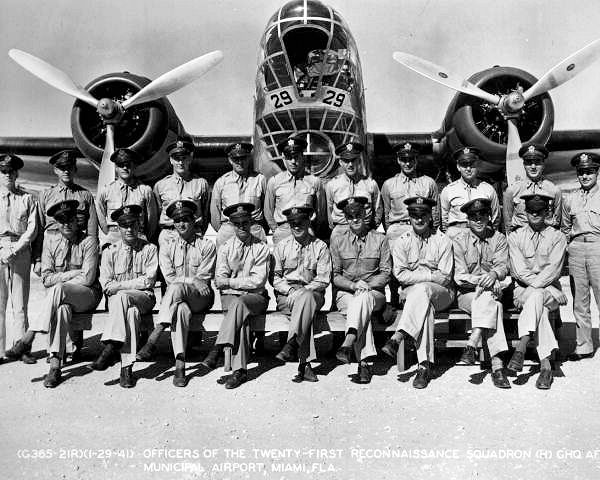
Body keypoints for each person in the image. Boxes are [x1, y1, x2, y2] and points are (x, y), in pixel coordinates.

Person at [6, 200, 102, 387]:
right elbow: (46, 278)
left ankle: (29, 336)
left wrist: (62, 280)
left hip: (88, 295)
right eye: (61, 220)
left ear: (78, 221)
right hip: (62, 298)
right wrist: (74, 273)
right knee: (62, 309)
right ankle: (55, 367)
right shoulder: (50, 242)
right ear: (57, 223)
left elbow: (88, 278)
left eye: (70, 219)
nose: (66, 224)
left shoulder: (89, 242)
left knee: (58, 289)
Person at [136, 200, 216, 387]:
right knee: (180, 309)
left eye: (186, 219)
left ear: (194, 220)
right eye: (177, 220)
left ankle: (154, 337)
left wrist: (193, 281)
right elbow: (170, 277)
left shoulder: (207, 245)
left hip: (201, 298)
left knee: (175, 289)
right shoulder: (166, 246)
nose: (181, 224)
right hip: (177, 299)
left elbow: (202, 281)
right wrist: (191, 279)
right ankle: (180, 365)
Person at [381, 196, 454, 389]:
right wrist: (431, 274)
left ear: (430, 216)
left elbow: (445, 277)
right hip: (416, 297)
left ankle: (400, 335)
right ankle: (424, 365)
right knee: (425, 308)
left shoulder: (443, 240)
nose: (419, 220)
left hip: (442, 294)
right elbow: (401, 275)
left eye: (423, 215)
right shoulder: (402, 241)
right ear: (409, 217)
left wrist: (420, 277)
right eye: (414, 215)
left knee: (422, 291)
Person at [202, 203, 269, 389]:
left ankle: (218, 347)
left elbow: (258, 281)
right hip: (232, 298)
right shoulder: (224, 248)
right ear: (231, 225)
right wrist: (238, 285)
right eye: (237, 223)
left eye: (245, 222)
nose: (242, 227)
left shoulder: (261, 247)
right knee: (242, 317)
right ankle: (240, 370)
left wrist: (231, 283)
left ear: (251, 223)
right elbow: (219, 278)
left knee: (240, 305)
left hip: (256, 298)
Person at [91, 205, 158, 388]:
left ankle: (111, 346)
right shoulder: (109, 251)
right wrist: (124, 287)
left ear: (139, 226)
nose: (129, 229)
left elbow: (148, 281)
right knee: (131, 314)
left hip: (143, 298)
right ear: (118, 228)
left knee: (121, 297)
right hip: (121, 306)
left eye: (133, 225)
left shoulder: (149, 249)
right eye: (124, 225)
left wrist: (119, 287)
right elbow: (106, 285)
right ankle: (126, 369)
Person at [507, 193, 567, 389]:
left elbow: (554, 269)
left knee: (537, 296)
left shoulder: (557, 236)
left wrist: (539, 287)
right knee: (538, 298)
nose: (535, 214)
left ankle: (521, 346)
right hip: (526, 291)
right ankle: (546, 366)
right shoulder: (515, 236)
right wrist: (545, 285)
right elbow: (519, 270)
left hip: (540, 292)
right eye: (531, 211)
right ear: (525, 212)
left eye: (539, 211)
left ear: (547, 212)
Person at [331, 196, 391, 384]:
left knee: (362, 301)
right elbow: (334, 275)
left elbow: (387, 272)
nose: (354, 219)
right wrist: (353, 286)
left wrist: (368, 285)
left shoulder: (380, 239)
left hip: (374, 293)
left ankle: (349, 340)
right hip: (347, 292)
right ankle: (363, 364)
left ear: (365, 214)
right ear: (346, 218)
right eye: (350, 216)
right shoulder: (338, 241)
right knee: (360, 307)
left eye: (358, 215)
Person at [452, 198, 511, 389]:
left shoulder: (499, 238)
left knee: (489, 301)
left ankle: (473, 342)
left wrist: (494, 274)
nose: (479, 220)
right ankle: (497, 367)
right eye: (473, 217)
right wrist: (486, 280)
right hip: (467, 295)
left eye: (482, 215)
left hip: (492, 292)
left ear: (489, 217)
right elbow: (460, 277)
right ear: (467, 220)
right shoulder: (459, 241)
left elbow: (503, 266)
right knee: (494, 305)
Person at [271, 204, 331, 383]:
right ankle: (304, 363)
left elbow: (323, 278)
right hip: (287, 295)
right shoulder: (281, 246)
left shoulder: (320, 246)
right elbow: (274, 277)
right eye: (292, 223)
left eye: (301, 222)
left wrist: (304, 291)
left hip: (313, 293)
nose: (297, 227)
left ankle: (292, 345)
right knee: (304, 311)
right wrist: (290, 290)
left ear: (308, 222)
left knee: (305, 301)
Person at [380, 142, 439, 307]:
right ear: (398, 160)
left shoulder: (428, 183)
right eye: (403, 159)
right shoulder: (389, 184)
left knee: (419, 265)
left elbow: (435, 213)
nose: (407, 163)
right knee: (394, 267)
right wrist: (392, 230)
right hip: (397, 228)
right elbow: (385, 213)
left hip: (421, 227)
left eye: (411, 159)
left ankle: (414, 300)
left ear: (416, 160)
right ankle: (393, 299)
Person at [32, 149, 98, 275]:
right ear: (55, 170)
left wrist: (92, 254)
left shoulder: (85, 195)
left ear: (75, 169)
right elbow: (39, 230)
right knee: (53, 288)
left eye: (70, 167)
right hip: (52, 246)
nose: (66, 171)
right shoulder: (45, 195)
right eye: (62, 168)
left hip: (79, 246)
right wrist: (38, 259)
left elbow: (92, 230)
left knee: (80, 285)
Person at [561, 152, 600, 360]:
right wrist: (569, 248)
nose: (585, 176)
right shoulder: (570, 199)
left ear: (597, 173)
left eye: (590, 172)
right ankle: (584, 345)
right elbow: (565, 227)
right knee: (580, 301)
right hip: (576, 249)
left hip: (598, 248)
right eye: (582, 172)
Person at [0, 154, 38, 363]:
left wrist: (15, 249)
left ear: (17, 173)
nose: (8, 175)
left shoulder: (28, 198)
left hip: (20, 250)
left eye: (11, 171)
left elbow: (32, 229)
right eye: (3, 171)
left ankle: (22, 348)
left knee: (20, 304)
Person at [264, 137, 324, 243]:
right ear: (283, 158)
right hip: (283, 232)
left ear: (302, 157)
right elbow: (268, 212)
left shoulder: (314, 181)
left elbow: (320, 213)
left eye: (296, 157)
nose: (293, 161)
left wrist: (312, 228)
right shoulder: (274, 182)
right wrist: (276, 230)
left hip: (307, 231)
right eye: (289, 157)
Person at [153, 136, 210, 247]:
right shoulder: (160, 186)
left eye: (184, 158)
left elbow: (206, 213)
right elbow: (156, 213)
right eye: (176, 158)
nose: (180, 162)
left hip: (194, 235)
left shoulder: (201, 184)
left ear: (190, 158)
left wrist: (198, 229)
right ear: (170, 160)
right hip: (168, 236)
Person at [96, 148, 158, 246]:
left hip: (138, 236)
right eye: (121, 165)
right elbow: (100, 214)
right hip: (114, 237)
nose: (125, 168)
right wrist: (110, 233)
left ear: (134, 166)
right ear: (116, 167)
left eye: (128, 165)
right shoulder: (106, 190)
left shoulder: (145, 190)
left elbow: (152, 220)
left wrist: (143, 236)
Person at [210, 142, 267, 248]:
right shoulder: (221, 182)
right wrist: (226, 229)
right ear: (230, 160)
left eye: (243, 158)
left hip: (254, 230)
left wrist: (259, 228)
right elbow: (214, 214)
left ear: (249, 158)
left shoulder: (260, 180)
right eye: (236, 159)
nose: (240, 162)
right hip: (229, 230)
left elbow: (268, 209)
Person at [325, 142, 382, 241]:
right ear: (340, 163)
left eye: (353, 160)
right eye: (346, 161)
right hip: (341, 230)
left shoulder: (370, 183)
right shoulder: (332, 185)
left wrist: (370, 227)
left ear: (359, 161)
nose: (350, 164)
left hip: (365, 229)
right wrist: (336, 229)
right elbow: (329, 212)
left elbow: (378, 209)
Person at [440, 147, 500, 239]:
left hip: (482, 235)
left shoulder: (488, 189)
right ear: (458, 167)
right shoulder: (448, 190)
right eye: (464, 165)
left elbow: (495, 218)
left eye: (472, 164)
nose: (468, 169)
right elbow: (444, 221)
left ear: (477, 165)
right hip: (457, 236)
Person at [503, 144, 562, 231]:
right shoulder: (512, 191)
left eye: (537, 162)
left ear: (543, 164)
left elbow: (557, 222)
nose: (533, 167)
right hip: (521, 239)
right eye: (529, 163)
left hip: (545, 237)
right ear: (523, 164)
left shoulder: (554, 191)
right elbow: (508, 224)